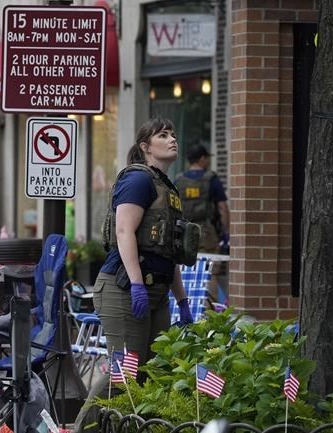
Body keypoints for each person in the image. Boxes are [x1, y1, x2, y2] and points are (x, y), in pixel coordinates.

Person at [75, 118, 195, 432]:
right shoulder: (138, 181)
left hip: (158, 293)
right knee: (124, 373)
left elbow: (168, 250)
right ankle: (81, 429)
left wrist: (181, 300)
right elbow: (125, 231)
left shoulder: (168, 188)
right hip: (124, 288)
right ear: (145, 146)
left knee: (154, 372)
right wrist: (139, 284)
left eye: (173, 133)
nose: (172, 139)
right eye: (162, 135)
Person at [175, 144, 230, 303]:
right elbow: (222, 207)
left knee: (185, 271)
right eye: (207, 158)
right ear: (202, 159)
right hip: (207, 232)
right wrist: (226, 232)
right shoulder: (211, 179)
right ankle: (210, 311)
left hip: (185, 232)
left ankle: (188, 307)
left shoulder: (178, 180)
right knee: (210, 272)